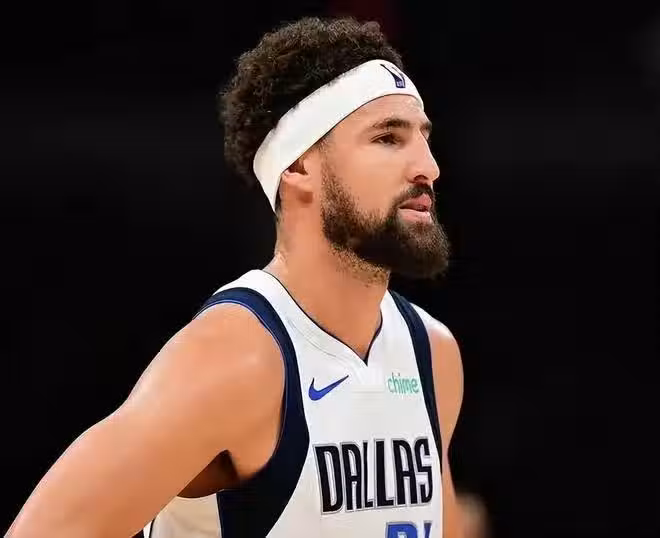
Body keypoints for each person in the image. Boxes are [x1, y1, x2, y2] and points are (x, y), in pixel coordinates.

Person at [8, 16, 465, 538]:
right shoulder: (236, 359)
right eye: (388, 138)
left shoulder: (431, 353)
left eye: (424, 138)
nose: (428, 166)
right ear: (299, 168)